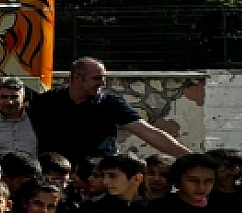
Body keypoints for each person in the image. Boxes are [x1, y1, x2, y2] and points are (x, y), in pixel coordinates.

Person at [27, 57, 188, 164]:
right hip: (57, 174)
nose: (102, 83)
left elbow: (148, 132)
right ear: (77, 77)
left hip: (100, 175)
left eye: (104, 78)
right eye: (97, 78)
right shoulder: (48, 100)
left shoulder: (111, 103)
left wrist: (190, 158)